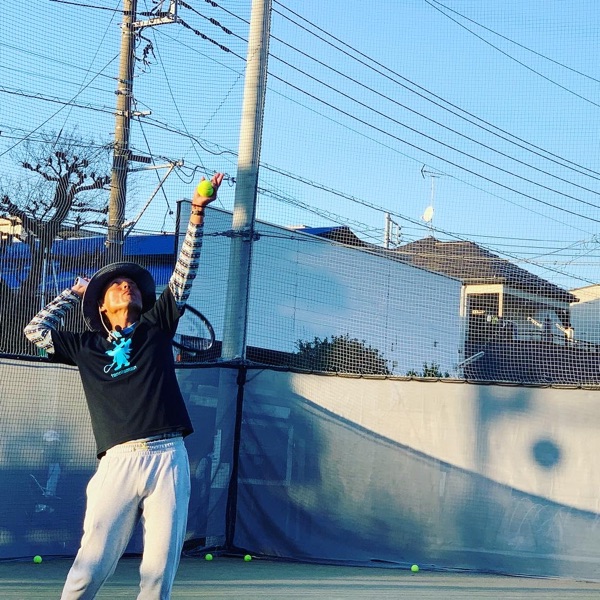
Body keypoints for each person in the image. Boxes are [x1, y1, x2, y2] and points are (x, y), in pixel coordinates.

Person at [24, 173, 223, 600]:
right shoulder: (85, 346)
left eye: (129, 283)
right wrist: (72, 293)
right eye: (114, 285)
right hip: (117, 462)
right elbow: (34, 331)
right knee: (90, 565)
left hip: (168, 457)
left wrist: (197, 213)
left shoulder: (155, 326)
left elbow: (183, 275)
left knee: (158, 572)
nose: (124, 285)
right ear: (100, 306)